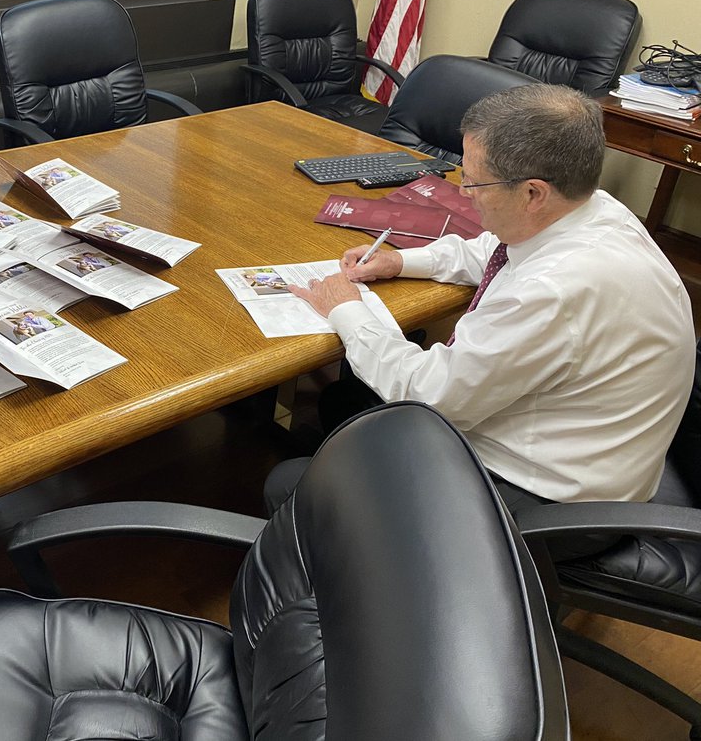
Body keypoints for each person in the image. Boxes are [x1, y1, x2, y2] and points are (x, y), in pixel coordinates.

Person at [283, 84, 694, 555]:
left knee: (292, 488)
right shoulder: (592, 209)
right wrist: (402, 262)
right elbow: (499, 248)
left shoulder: (554, 290)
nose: (463, 191)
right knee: (347, 401)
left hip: (551, 500)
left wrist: (344, 307)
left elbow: (430, 396)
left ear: (533, 193)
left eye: (475, 182)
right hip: (590, 448)